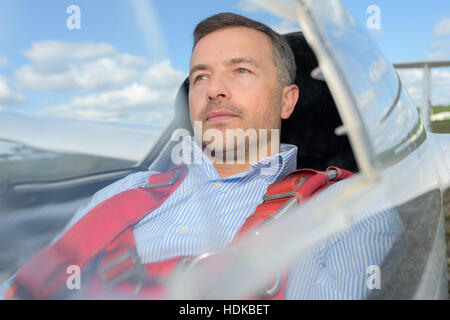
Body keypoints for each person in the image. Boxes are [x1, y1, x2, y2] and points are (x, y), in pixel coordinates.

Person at [1, 12, 403, 300]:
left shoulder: (347, 210)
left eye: (241, 70)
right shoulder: (125, 192)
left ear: (287, 100)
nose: (214, 90)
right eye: (200, 77)